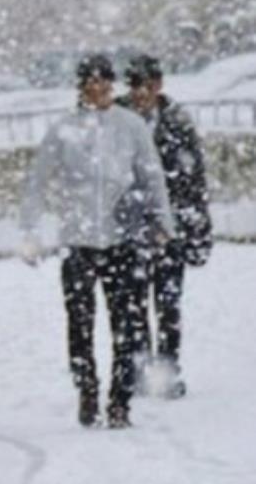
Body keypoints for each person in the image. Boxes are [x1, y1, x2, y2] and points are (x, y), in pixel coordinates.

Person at [21, 53, 177, 429]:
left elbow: (151, 175)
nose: (96, 90)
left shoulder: (130, 126)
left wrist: (163, 222)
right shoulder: (64, 128)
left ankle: (120, 400)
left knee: (126, 322)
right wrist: (30, 230)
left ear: (111, 85)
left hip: (121, 236)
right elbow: (38, 180)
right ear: (80, 87)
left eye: (102, 83)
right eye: (88, 83)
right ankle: (87, 385)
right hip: (78, 238)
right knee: (79, 322)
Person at [116, 54, 212, 399]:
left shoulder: (176, 123)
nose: (142, 93)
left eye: (148, 85)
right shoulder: (118, 122)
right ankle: (141, 370)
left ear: (158, 85)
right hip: (129, 230)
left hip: (171, 229)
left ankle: (167, 370)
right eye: (136, 86)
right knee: (134, 304)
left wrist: (196, 227)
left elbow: (193, 180)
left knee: (168, 304)